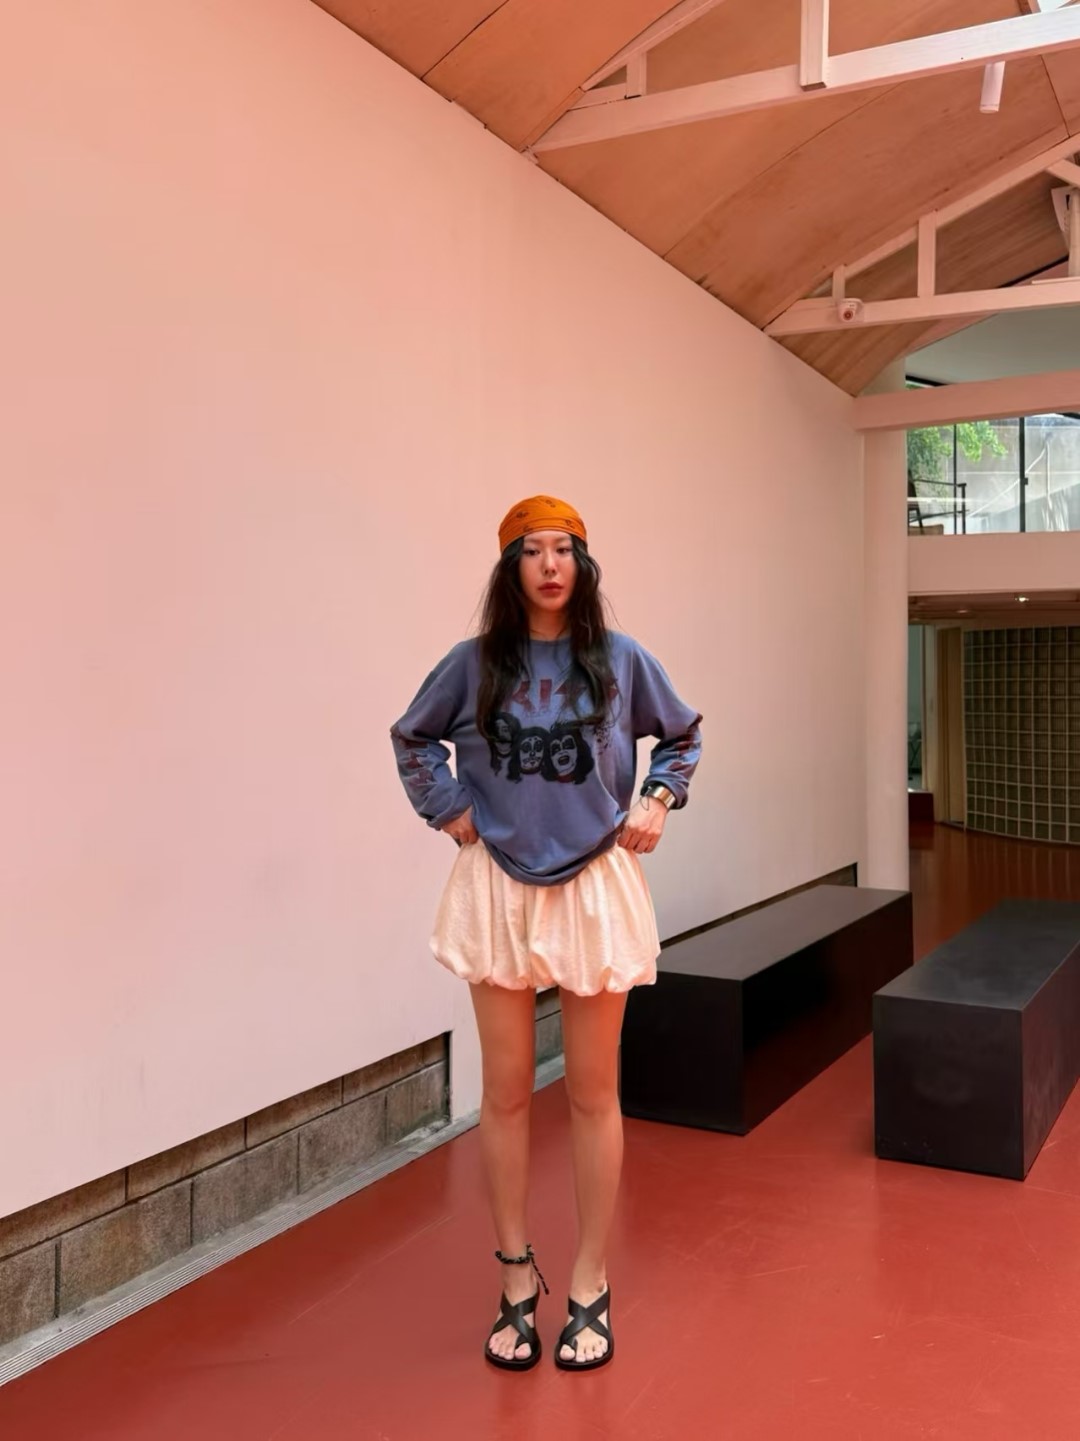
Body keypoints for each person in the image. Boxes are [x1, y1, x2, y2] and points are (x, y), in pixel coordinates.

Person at [390, 495, 702, 1372]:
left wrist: (658, 797)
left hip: (594, 881)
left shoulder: (621, 659)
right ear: (511, 567)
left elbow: (681, 735)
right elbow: (413, 737)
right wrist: (449, 807)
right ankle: (516, 1275)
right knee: (507, 1093)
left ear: (583, 563)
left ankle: (592, 1278)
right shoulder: (474, 664)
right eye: (533, 550)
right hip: (497, 884)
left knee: (594, 1093)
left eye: (564, 549)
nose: (551, 564)